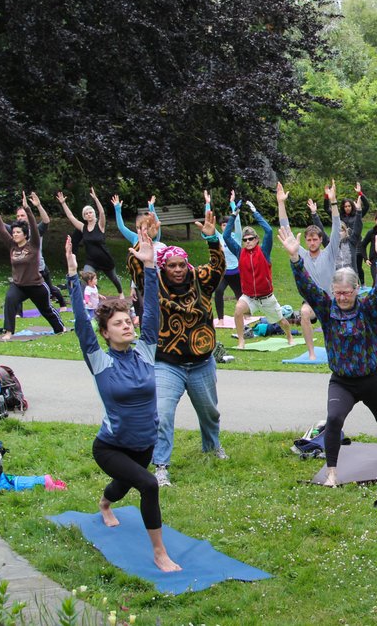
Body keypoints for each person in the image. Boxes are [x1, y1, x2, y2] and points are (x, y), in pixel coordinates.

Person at [66, 228, 180, 572]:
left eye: (128, 320)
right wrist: (73, 277)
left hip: (145, 442)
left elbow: (154, 314)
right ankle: (160, 553)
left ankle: (104, 503)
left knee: (125, 484)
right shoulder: (98, 360)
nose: (128, 325)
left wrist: (149, 267)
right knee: (147, 484)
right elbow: (81, 326)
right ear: (106, 332)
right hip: (111, 446)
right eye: (118, 323)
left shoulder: (146, 350)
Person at [282, 223, 377, 487]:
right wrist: (294, 258)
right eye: (339, 293)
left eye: (347, 292)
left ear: (357, 290)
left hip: (373, 379)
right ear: (333, 292)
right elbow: (306, 288)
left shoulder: (368, 308)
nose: (343, 297)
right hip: (342, 381)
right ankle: (332, 471)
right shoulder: (325, 308)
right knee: (333, 419)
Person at [130, 206, 228, 487]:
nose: (176, 270)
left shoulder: (201, 281)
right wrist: (144, 239)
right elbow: (137, 267)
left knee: (210, 412)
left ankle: (212, 447)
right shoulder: (154, 284)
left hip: (201, 362)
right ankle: (161, 465)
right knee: (161, 414)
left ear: (187, 265)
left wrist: (211, 239)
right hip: (166, 363)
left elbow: (218, 266)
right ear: (163, 267)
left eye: (180, 265)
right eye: (171, 265)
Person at [277, 181, 343, 360]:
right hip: (312, 302)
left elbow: (336, 226)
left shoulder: (329, 253)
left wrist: (334, 200)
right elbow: (286, 228)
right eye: (309, 240)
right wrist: (281, 203)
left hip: (331, 300)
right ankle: (312, 353)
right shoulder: (302, 254)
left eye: (315, 239)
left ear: (321, 240)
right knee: (304, 313)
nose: (312, 242)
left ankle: (337, 351)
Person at [0, 195, 67, 340]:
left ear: (25, 235)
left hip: (36, 285)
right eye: (13, 232)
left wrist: (28, 208)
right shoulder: (12, 246)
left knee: (46, 309)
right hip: (19, 285)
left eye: (17, 232)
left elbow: (33, 224)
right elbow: (2, 229)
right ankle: (9, 332)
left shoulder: (33, 244)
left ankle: (60, 327)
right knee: (10, 300)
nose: (14, 234)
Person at [226, 199, 292, 350]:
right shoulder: (239, 252)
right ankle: (241, 341)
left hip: (266, 297)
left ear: (256, 239)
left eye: (251, 239)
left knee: (281, 321)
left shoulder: (264, 251)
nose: (248, 241)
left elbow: (269, 231)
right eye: (245, 240)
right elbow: (226, 236)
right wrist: (234, 214)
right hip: (249, 296)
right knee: (237, 311)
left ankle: (289, 336)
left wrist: (255, 212)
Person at [56, 188, 124, 296]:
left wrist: (96, 199)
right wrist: (63, 203)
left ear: (94, 214)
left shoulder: (100, 225)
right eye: (86, 213)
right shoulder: (83, 228)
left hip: (105, 259)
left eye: (90, 212)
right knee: (85, 277)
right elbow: (70, 217)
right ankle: (86, 300)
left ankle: (121, 293)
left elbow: (101, 212)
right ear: (84, 216)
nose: (89, 214)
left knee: (114, 278)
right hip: (91, 260)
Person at [112, 194, 166, 323]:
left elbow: (155, 224)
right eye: (138, 227)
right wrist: (117, 209)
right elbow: (121, 227)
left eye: (145, 228)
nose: (141, 231)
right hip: (139, 281)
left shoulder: (155, 240)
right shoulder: (135, 238)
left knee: (155, 309)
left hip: (155, 281)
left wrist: (151, 207)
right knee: (142, 309)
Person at [14, 193, 66, 307]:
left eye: (22, 215)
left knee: (49, 289)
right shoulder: (15, 231)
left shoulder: (36, 229)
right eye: (18, 216)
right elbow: (1, 226)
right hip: (23, 268)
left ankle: (62, 303)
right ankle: (17, 313)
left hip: (39, 267)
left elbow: (46, 221)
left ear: (28, 216)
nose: (20, 218)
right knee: (17, 289)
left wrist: (38, 205)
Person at [206, 190, 243, 321]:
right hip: (224, 272)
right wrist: (207, 204)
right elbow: (209, 223)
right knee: (219, 292)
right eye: (222, 224)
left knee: (240, 295)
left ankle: (245, 315)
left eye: (227, 224)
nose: (225, 226)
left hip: (237, 272)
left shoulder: (236, 237)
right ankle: (221, 319)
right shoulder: (219, 238)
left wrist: (233, 203)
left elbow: (237, 221)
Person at [337, 186, 364, 285]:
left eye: (349, 206)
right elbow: (322, 232)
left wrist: (360, 194)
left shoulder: (356, 216)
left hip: (354, 242)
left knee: (356, 264)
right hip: (339, 278)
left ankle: (360, 283)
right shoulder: (341, 217)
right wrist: (329, 198)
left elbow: (358, 228)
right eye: (345, 206)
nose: (347, 208)